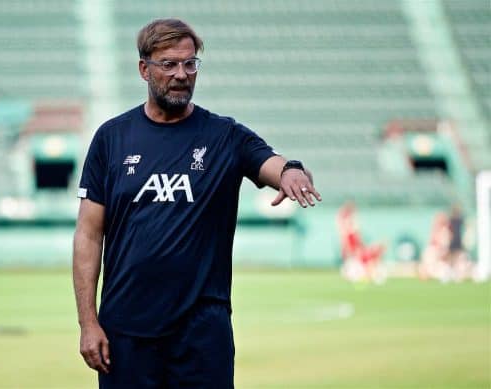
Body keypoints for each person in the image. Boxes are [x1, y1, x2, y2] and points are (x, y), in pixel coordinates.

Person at [72, 18, 321, 388]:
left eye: (190, 64)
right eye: (168, 64)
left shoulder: (224, 136)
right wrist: (88, 323)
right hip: (126, 331)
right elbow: (89, 235)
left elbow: (270, 162)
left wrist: (291, 171)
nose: (181, 74)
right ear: (144, 69)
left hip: (202, 333)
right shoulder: (112, 138)